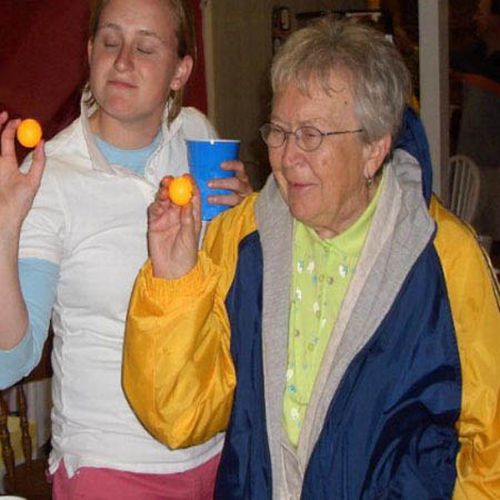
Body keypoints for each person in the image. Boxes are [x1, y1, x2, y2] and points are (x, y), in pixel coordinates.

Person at [124, 17, 500, 499]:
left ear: (374, 148)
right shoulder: (244, 237)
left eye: (312, 135)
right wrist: (174, 278)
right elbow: (178, 416)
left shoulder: (443, 256)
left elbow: (489, 442)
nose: (285, 157)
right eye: (279, 132)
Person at [0, 0, 251, 498]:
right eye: (110, 42)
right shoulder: (52, 178)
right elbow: (12, 361)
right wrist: (5, 230)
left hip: (218, 446)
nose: (123, 61)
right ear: (90, 51)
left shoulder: (198, 138)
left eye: (146, 47)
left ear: (181, 71)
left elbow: (225, 292)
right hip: (111, 466)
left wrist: (245, 219)